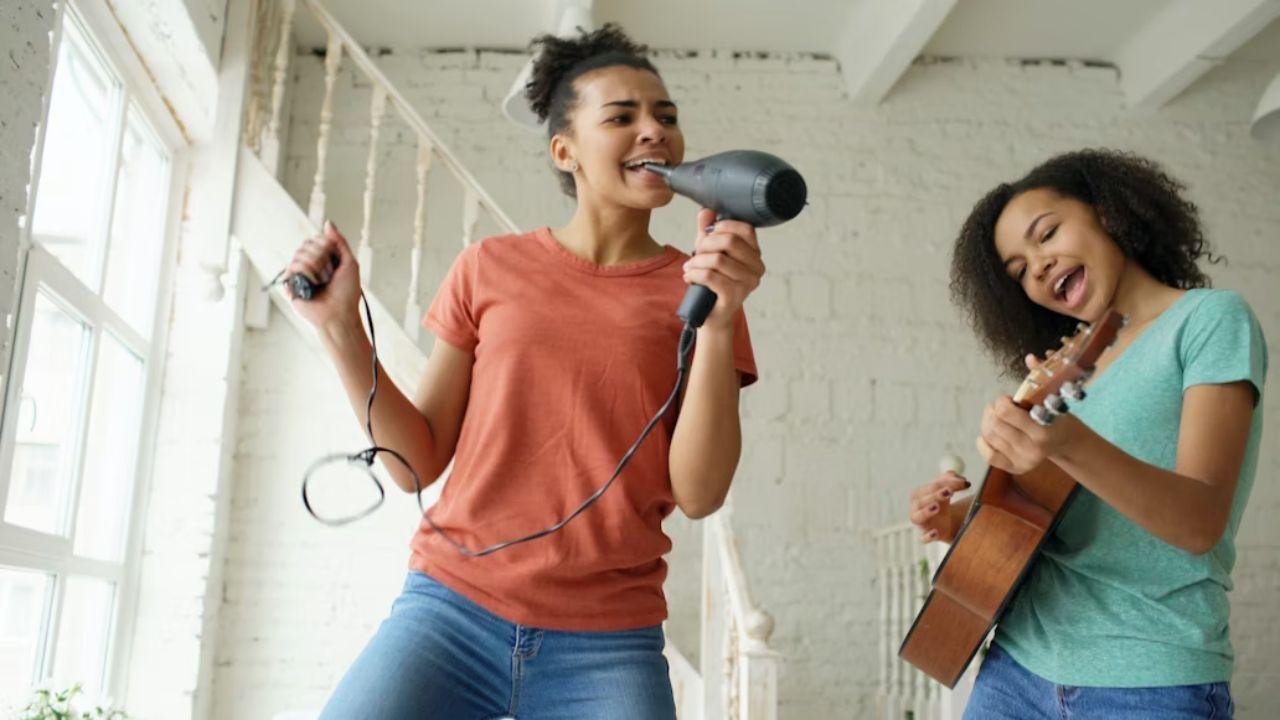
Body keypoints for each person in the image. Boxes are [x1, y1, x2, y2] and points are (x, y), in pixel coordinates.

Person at [285, 24, 762, 719]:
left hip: (609, 641)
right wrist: (338, 328)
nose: (654, 131)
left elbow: (700, 494)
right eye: (621, 117)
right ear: (564, 151)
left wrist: (719, 321)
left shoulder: (703, 291)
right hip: (450, 611)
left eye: (666, 116)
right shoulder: (489, 267)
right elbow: (416, 462)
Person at [909, 149, 1266, 718]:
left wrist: (1066, 442)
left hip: (1147, 679)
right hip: (1017, 667)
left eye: (1047, 234)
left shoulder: (1209, 321)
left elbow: (1199, 522)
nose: (1040, 266)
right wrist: (957, 518)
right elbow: (1069, 518)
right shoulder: (1066, 363)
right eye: (1020, 270)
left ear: (1108, 211)